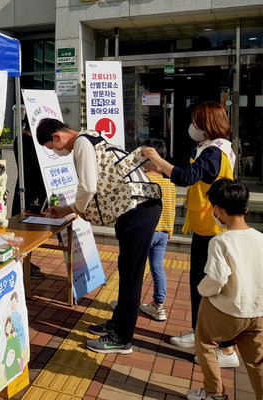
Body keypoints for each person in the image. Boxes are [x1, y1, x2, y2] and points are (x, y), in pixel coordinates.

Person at [36, 118, 162, 354]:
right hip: (137, 209)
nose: (56, 152)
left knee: (131, 276)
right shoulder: (92, 136)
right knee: (126, 271)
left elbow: (88, 187)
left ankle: (122, 338)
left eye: (52, 148)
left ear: (57, 138)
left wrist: (81, 209)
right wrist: (68, 210)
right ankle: (117, 324)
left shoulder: (82, 143)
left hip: (138, 210)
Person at [142, 101, 239, 367]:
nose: (193, 126)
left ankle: (227, 351)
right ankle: (199, 331)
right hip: (204, 227)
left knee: (215, 290)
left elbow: (187, 176)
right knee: (199, 285)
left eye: (197, 121)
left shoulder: (215, 153)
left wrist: (158, 160)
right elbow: (185, 173)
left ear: (207, 124)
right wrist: (161, 167)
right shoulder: (208, 148)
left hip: (215, 231)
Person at [186, 179, 263, 400]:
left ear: (218, 210)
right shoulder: (260, 238)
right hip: (257, 311)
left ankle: (214, 394)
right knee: (257, 360)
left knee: (205, 343)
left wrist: (202, 290)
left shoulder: (221, 241)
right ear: (245, 209)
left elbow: (216, 279)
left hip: (228, 309)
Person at [139, 138, 176, 321]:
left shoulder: (143, 182)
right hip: (163, 234)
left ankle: (127, 302)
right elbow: (171, 209)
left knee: (135, 268)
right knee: (157, 268)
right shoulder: (170, 184)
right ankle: (158, 305)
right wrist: (169, 231)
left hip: (146, 232)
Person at [12, 116, 47, 279]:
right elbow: (33, 169)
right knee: (27, 229)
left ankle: (28, 261)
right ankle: (24, 265)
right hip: (30, 191)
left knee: (31, 229)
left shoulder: (24, 139)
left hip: (32, 189)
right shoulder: (26, 141)